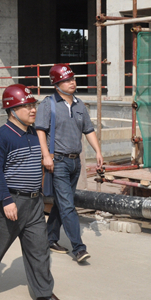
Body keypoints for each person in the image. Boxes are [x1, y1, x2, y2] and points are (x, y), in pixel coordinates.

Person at [0, 84, 71, 300]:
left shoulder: (34, 134)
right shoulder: (2, 137)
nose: (33, 110)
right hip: (9, 202)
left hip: (34, 203)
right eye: (26, 106)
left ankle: (44, 293)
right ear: (12, 110)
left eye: (33, 105)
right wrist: (6, 200)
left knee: (40, 249)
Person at [35, 64, 103, 263]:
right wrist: (46, 156)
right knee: (67, 205)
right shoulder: (48, 104)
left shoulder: (80, 105)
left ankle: (50, 238)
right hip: (58, 162)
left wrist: (98, 152)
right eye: (66, 80)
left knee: (61, 202)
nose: (72, 82)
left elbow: (88, 130)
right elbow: (40, 131)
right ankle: (79, 248)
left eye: (72, 79)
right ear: (56, 84)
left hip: (75, 163)